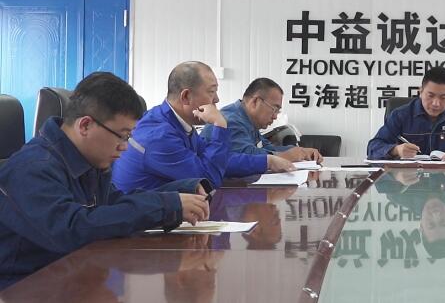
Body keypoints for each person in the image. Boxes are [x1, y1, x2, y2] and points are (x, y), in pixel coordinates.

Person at [0, 72, 210, 287]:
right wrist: (165, 206)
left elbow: (114, 203)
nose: (125, 146)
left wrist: (177, 196)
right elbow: (71, 229)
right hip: (23, 288)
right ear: (85, 125)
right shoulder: (32, 169)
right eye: (122, 135)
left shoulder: (89, 161)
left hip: (70, 277)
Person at [112, 61, 293, 193]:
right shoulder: (159, 136)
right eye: (211, 92)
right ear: (186, 97)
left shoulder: (176, 123)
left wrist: (267, 161)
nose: (217, 100)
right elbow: (209, 180)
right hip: (142, 229)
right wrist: (220, 125)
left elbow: (218, 160)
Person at [366, 66, 445, 161]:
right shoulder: (400, 115)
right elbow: (373, 147)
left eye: (443, 97)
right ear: (421, 92)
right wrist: (396, 150)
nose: (436, 103)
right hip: (408, 179)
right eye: (430, 96)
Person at [201, 77, 323, 163]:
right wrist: (285, 156)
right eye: (274, 109)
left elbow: (266, 148)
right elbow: (247, 157)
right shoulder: (231, 120)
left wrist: (300, 151)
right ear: (255, 101)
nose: (275, 116)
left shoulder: (248, 120)